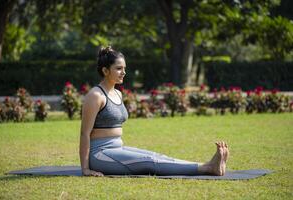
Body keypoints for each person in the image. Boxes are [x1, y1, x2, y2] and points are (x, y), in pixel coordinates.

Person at [79, 46, 229, 177]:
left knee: (153, 155)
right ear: (105, 70)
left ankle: (207, 165)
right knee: (150, 162)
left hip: (117, 148)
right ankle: (208, 167)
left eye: (124, 68)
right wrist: (85, 168)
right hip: (99, 155)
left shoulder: (118, 93)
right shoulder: (96, 96)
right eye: (118, 68)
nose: (123, 72)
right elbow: (84, 134)